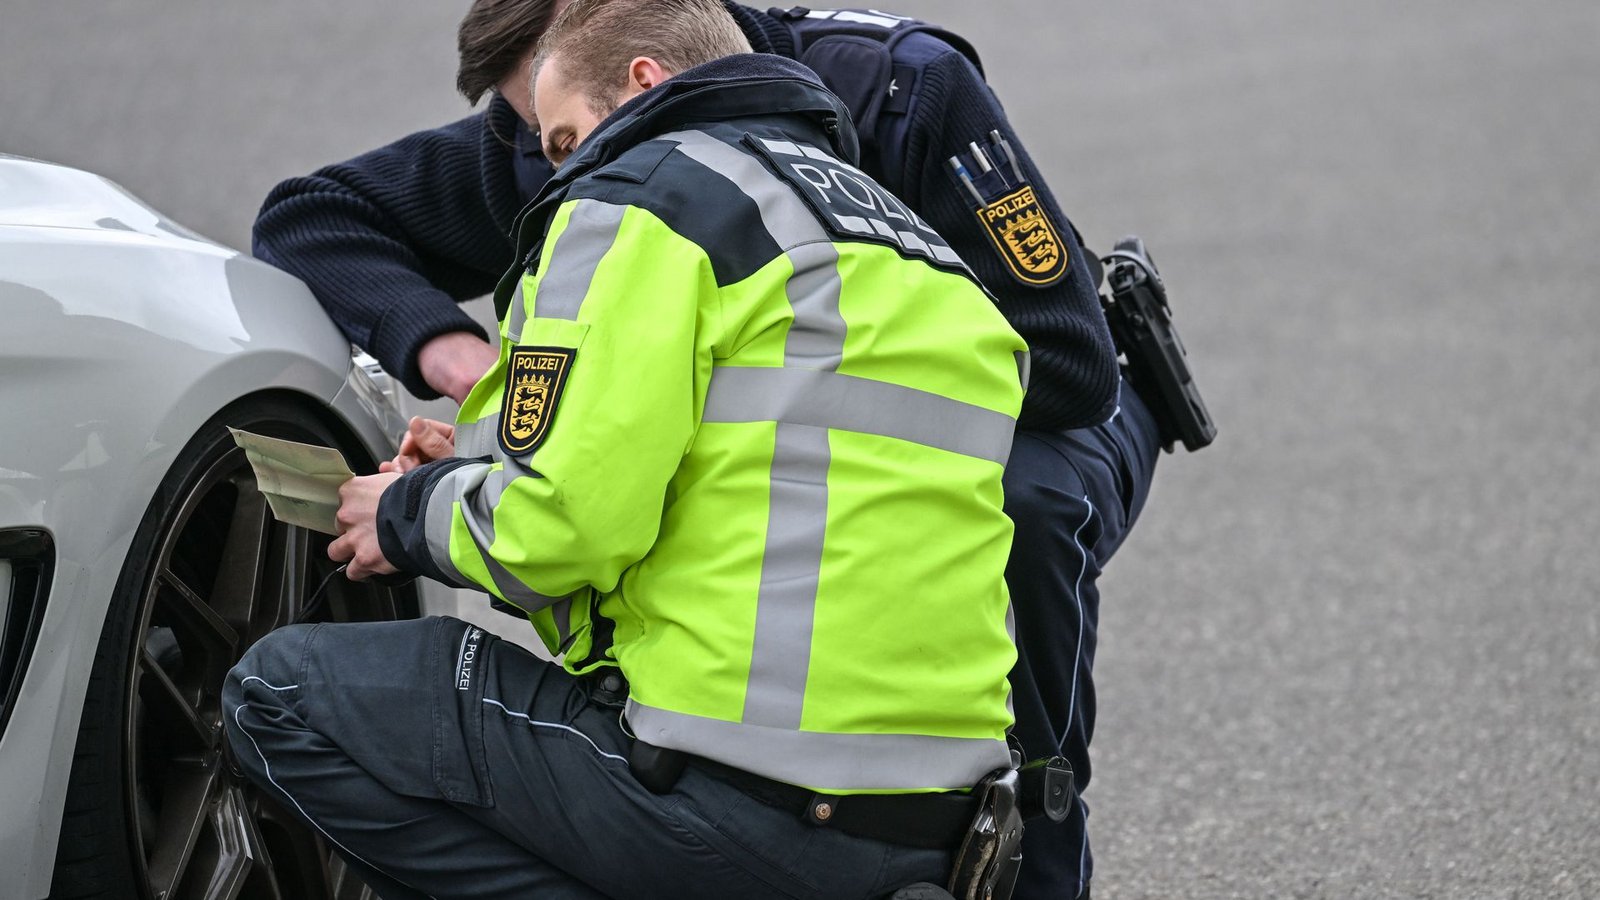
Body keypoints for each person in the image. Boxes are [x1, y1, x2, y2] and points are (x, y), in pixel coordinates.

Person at [254, 2, 1171, 896]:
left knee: (1033, 510)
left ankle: (1039, 869)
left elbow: (1067, 360)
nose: (555, 170)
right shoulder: (565, 138)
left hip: (1067, 403)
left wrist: (427, 506)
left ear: (631, 66)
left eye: (560, 133)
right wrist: (498, 392)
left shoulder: (897, 89)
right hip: (906, 803)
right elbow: (316, 215)